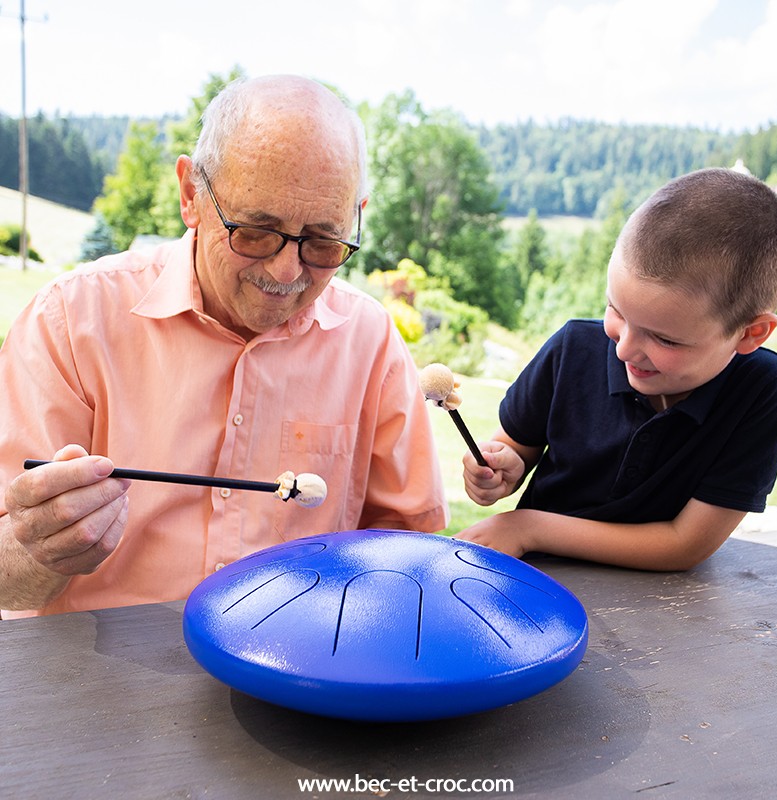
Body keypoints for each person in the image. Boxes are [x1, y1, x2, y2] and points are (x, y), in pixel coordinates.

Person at [0, 75, 448, 618]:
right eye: (256, 232)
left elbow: (411, 558)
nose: (287, 271)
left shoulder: (371, 344)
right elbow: (8, 582)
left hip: (296, 677)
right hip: (100, 687)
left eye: (324, 242)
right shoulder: (70, 322)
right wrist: (35, 550)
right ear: (191, 194)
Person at [460, 167, 777, 571]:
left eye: (665, 340)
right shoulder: (572, 348)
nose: (624, 349)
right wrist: (499, 471)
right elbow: (513, 448)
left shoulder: (763, 389)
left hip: (662, 607)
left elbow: (684, 543)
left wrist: (529, 527)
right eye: (615, 311)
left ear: (751, 334)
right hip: (537, 578)